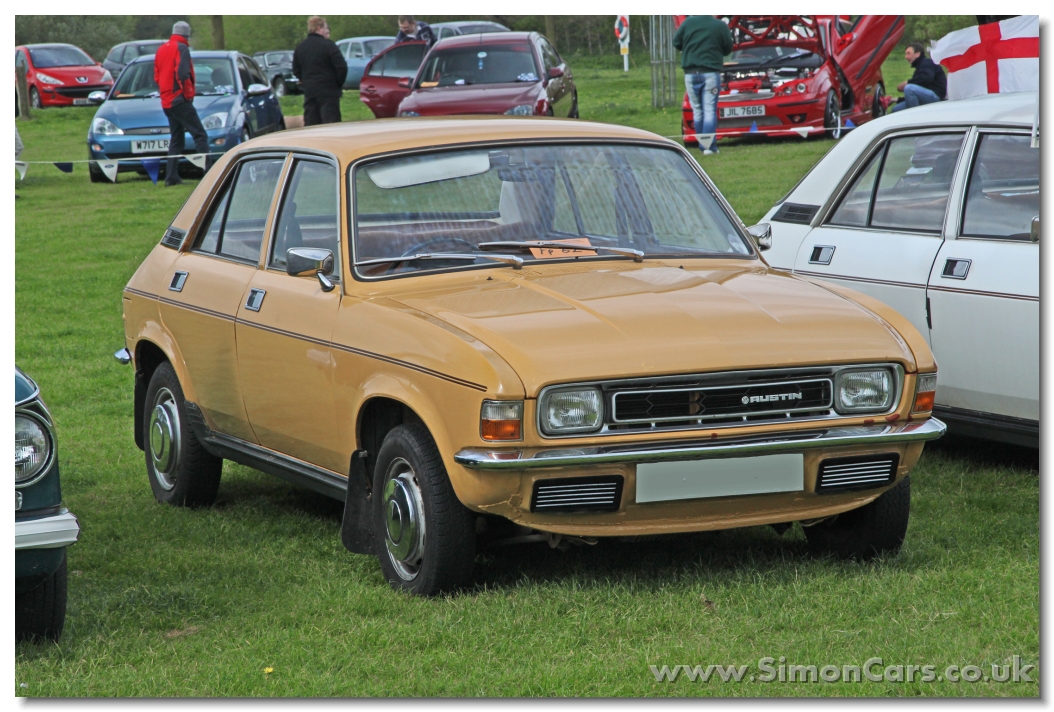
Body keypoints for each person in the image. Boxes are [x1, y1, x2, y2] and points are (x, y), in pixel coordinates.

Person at [155, 21, 209, 187]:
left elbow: (156, 76)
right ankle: (210, 175)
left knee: (176, 139)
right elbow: (183, 73)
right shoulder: (182, 48)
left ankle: (171, 177)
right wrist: (187, 95)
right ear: (187, 35)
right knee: (200, 135)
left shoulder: (161, 49)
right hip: (179, 99)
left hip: (166, 101)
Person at [673, 15, 732, 156]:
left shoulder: (688, 23)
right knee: (709, 110)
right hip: (710, 72)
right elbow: (728, 48)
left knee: (697, 111)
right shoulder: (719, 25)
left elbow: (676, 42)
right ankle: (709, 147)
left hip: (690, 73)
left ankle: (702, 145)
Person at [293, 16, 348, 126]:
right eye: (327, 28)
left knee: (312, 125)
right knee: (330, 125)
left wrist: (306, 81)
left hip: (310, 93)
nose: (328, 31)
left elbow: (296, 70)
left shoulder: (300, 48)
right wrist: (337, 83)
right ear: (319, 28)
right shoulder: (329, 46)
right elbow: (342, 67)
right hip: (329, 93)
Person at [890, 43, 947, 113]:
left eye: (908, 53)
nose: (906, 57)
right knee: (896, 110)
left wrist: (907, 83)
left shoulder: (927, 63)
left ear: (917, 54)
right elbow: (913, 97)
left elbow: (926, 78)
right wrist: (895, 100)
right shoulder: (919, 67)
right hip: (926, 96)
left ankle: (915, 119)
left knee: (909, 88)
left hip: (936, 97)